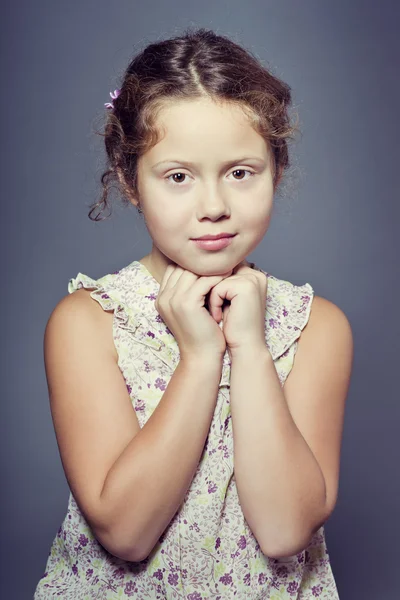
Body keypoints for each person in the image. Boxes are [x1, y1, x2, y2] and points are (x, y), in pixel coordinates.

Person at [34, 28, 353, 599]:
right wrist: (200, 357)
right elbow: (126, 533)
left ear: (276, 169)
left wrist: (250, 349)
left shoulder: (315, 327)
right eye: (178, 176)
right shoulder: (89, 322)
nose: (213, 207)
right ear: (130, 179)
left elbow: (284, 531)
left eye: (240, 172)